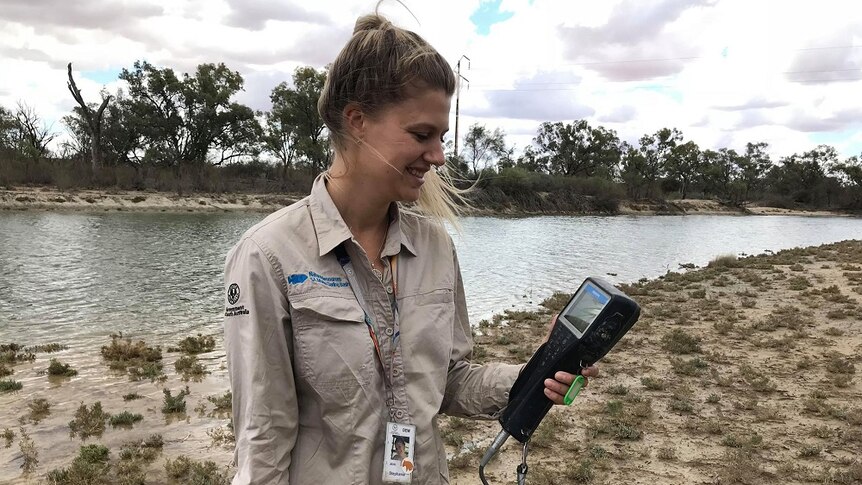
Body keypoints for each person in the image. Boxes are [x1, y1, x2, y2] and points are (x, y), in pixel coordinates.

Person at [223, 10, 597, 485]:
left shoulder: (435, 245)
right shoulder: (267, 256)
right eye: (422, 135)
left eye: (440, 137)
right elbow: (263, 436)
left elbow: (451, 380)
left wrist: (537, 370)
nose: (439, 155)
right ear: (357, 120)